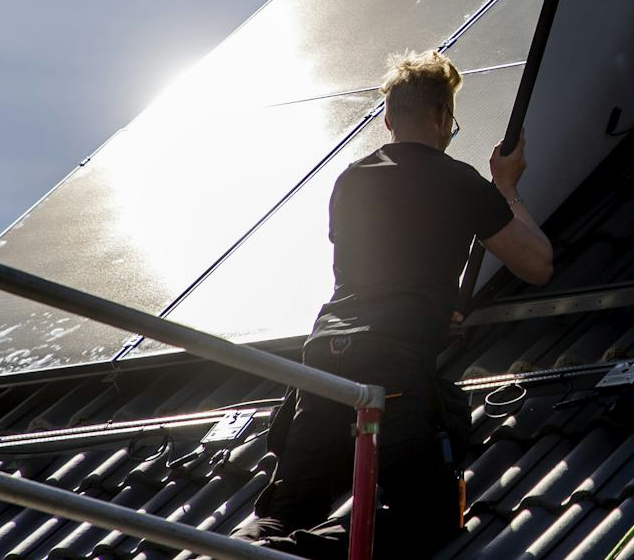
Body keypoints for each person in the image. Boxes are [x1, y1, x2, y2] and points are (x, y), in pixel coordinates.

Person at [234, 50, 553, 558]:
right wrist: (506, 188)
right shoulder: (458, 180)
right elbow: (537, 265)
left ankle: (231, 551)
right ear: (442, 116)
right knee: (426, 518)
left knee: (285, 508)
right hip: (393, 362)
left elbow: (373, 266)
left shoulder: (351, 179)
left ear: (387, 119)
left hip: (322, 358)